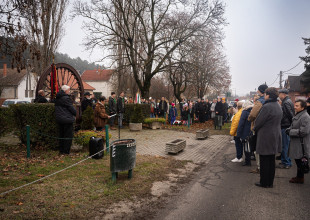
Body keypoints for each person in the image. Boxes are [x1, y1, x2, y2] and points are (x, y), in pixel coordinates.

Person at [253, 87, 282, 188]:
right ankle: (270, 182)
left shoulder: (267, 106)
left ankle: (264, 182)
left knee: (264, 160)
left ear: (268, 95)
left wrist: (254, 128)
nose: (264, 96)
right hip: (275, 135)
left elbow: (259, 122)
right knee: (271, 161)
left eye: (265, 94)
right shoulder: (278, 105)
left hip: (266, 136)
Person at [287, 99, 310, 184]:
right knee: (298, 160)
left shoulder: (305, 117)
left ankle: (300, 178)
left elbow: (304, 131)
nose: (294, 107)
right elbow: (293, 126)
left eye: (297, 106)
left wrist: (290, 132)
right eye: (295, 105)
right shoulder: (299, 115)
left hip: (301, 143)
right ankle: (299, 177)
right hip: (297, 142)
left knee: (300, 160)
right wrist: (288, 129)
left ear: (303, 107)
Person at [248, 84, 268, 174]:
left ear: (261, 91)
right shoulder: (270, 101)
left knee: (257, 148)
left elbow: (252, 115)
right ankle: (263, 167)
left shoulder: (260, 101)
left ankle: (260, 167)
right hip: (267, 128)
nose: (257, 91)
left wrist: (249, 118)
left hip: (258, 126)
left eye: (258, 90)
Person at [55, 85, 76, 155]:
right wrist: (76, 114)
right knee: (68, 136)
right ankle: (66, 152)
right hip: (67, 119)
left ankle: (61, 150)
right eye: (69, 90)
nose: (69, 91)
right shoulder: (66, 98)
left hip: (59, 119)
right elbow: (71, 108)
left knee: (61, 135)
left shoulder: (57, 97)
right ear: (65, 91)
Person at [278, 88, 295, 169]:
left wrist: (292, 124)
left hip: (285, 126)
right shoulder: (288, 101)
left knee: (285, 145)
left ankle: (286, 163)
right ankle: (286, 161)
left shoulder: (285, 102)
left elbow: (290, 114)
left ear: (283, 94)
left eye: (279, 94)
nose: (279, 95)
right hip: (287, 125)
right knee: (286, 145)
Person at [237, 100, 254, 166]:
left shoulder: (244, 112)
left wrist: (238, 133)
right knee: (250, 146)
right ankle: (249, 159)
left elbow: (241, 124)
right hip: (251, 131)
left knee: (246, 147)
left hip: (245, 132)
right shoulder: (252, 111)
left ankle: (247, 161)